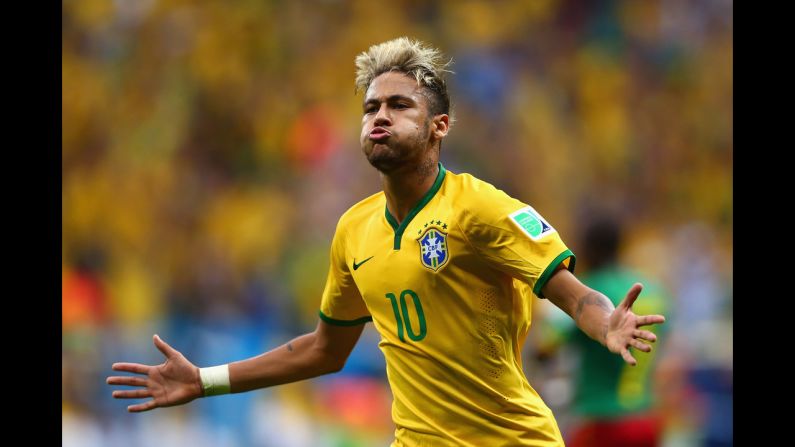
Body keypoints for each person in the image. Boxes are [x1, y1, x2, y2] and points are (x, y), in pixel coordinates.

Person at [107, 37, 665, 447]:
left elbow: (571, 295)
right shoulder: (354, 230)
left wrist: (605, 322)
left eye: (399, 106)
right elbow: (324, 350)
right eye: (371, 107)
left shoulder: (482, 209)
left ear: (439, 126)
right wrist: (205, 381)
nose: (379, 116)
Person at [534, 213, 670, 447]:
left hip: (601, 420)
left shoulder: (586, 292)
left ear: (588, 248)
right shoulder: (653, 290)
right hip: (647, 417)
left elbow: (546, 348)